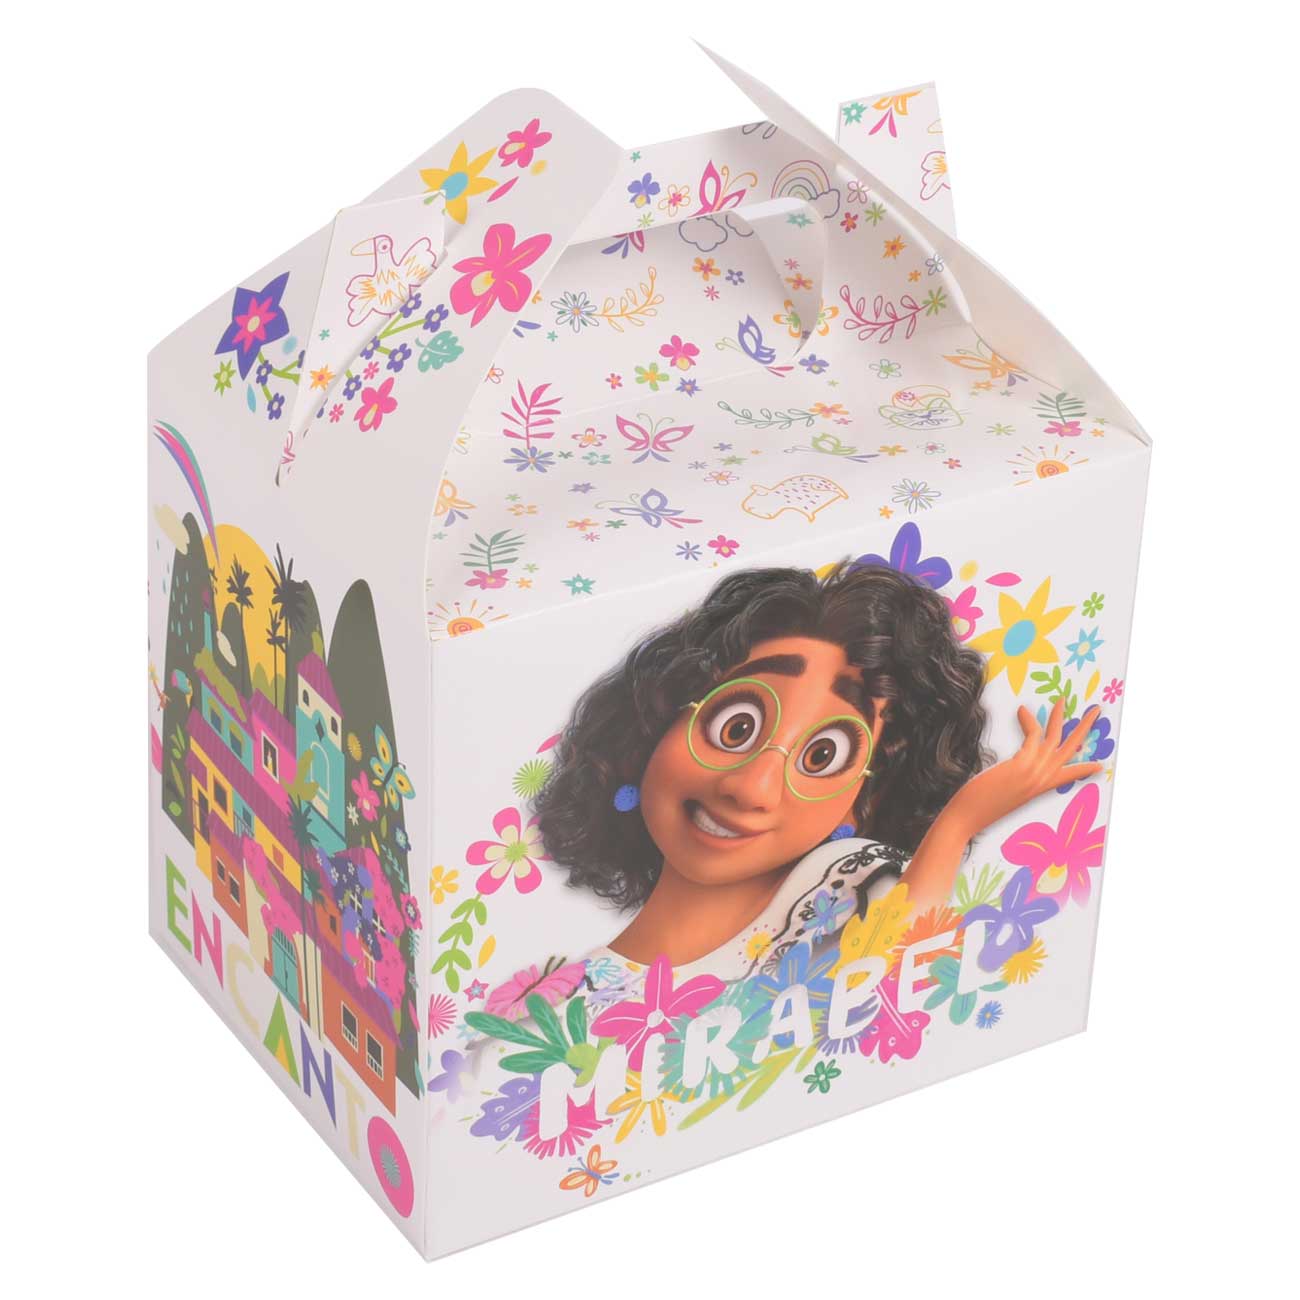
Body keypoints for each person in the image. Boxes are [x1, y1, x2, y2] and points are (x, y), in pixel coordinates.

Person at [534, 559, 1100, 982]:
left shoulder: (845, 901)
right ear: (654, 725)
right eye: (735, 727)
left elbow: (898, 951)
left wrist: (957, 823)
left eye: (822, 755)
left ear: (867, 792)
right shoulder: (545, 1019)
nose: (752, 788)